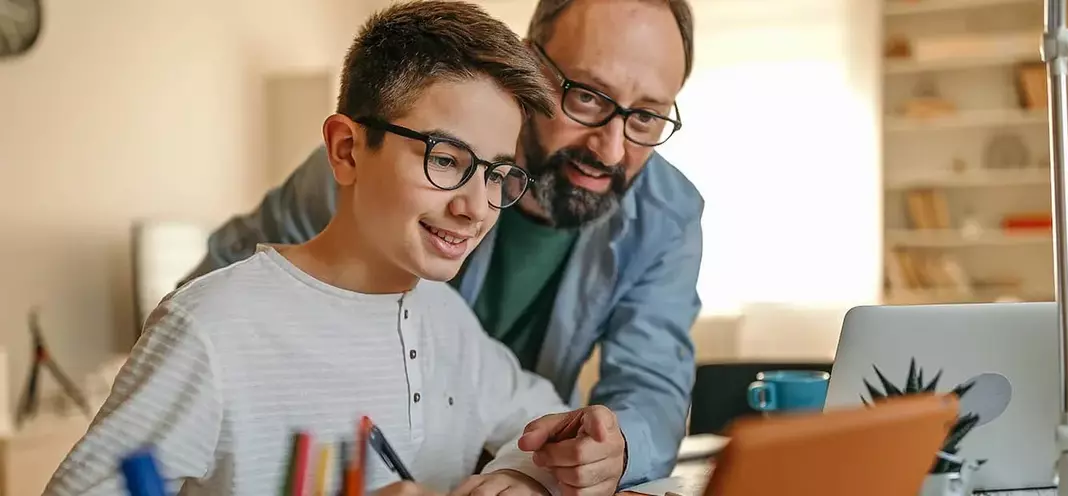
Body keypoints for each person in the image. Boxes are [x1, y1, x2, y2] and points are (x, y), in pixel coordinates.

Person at [44, 2, 626, 495]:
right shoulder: (212, 328)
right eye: (446, 160)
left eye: (497, 175)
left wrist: (525, 474)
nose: (475, 207)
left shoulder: (445, 319)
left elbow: (554, 426)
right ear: (347, 150)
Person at [186, 0, 701, 487]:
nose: (611, 148)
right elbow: (223, 296)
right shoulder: (372, 165)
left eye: (646, 117)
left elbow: (649, 388)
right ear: (530, 63)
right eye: (587, 96)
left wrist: (595, 456)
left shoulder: (667, 216)